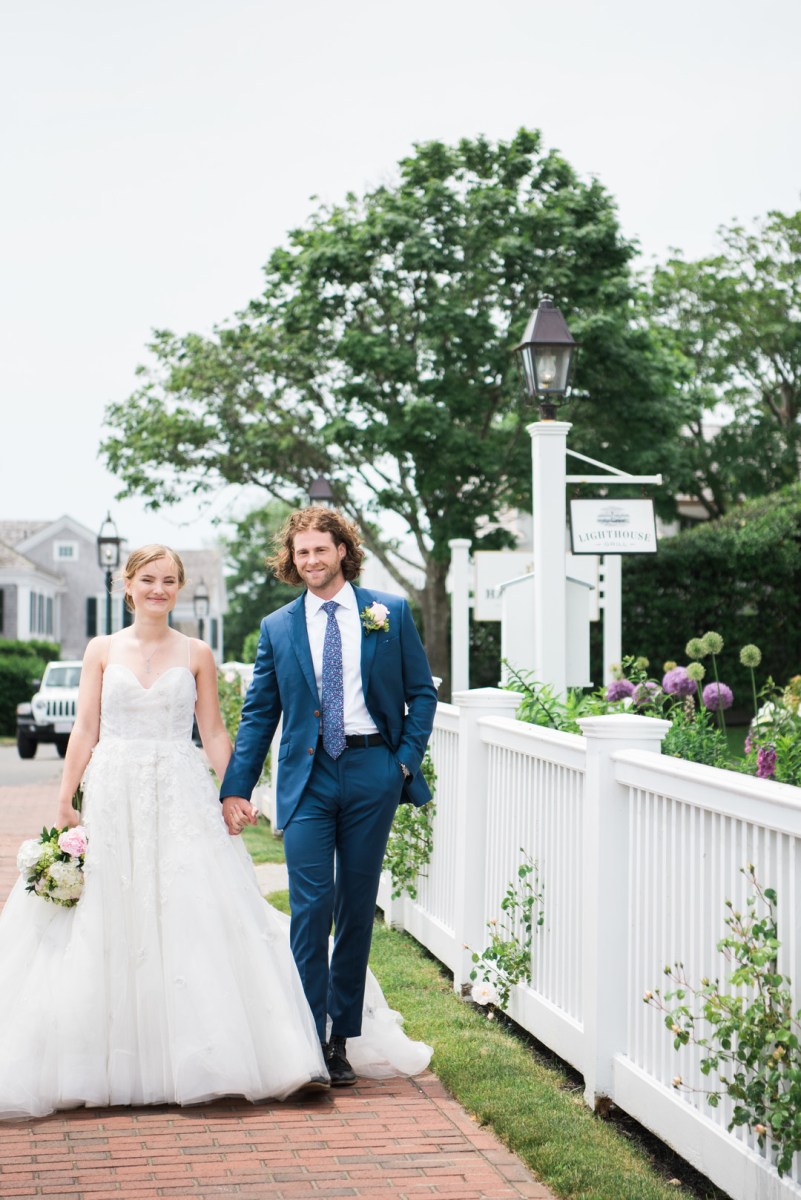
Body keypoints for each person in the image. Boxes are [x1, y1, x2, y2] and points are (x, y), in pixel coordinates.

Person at [0, 544, 430, 1121]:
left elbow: (218, 731)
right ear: (127, 585)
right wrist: (63, 798)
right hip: (115, 792)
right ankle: (112, 1053)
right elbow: (85, 727)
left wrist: (235, 791)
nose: (159, 589)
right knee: (115, 911)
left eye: (169, 580)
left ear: (179, 588)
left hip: (180, 791)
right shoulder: (101, 651)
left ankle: (287, 1041)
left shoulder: (197, 652)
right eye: (148, 580)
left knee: (190, 909)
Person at [220, 507, 438, 1087]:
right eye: (301, 552)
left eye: (320, 549)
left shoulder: (386, 613)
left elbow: (422, 694)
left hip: (373, 771)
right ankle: (306, 1035)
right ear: (292, 561)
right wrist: (236, 787)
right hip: (309, 777)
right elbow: (260, 713)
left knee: (356, 907)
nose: (310, 560)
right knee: (311, 907)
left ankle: (341, 1038)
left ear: (343, 550)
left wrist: (401, 766)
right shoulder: (279, 627)